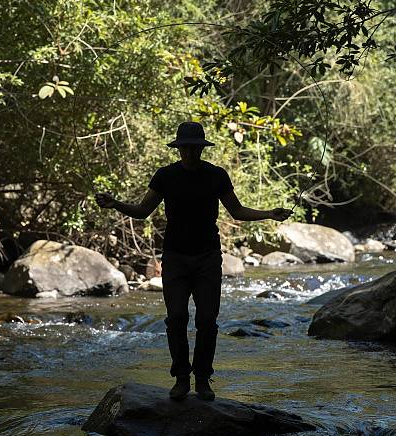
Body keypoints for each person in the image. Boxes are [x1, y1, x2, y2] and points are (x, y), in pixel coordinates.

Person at [95, 121, 291, 401]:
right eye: (184, 147)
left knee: (207, 321)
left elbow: (236, 211)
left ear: (201, 149)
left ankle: (202, 379)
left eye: (193, 147)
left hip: (208, 258)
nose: (188, 152)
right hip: (175, 258)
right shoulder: (165, 176)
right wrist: (116, 204)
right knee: (176, 319)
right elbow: (142, 211)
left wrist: (269, 214)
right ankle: (181, 378)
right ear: (178, 148)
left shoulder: (217, 176)